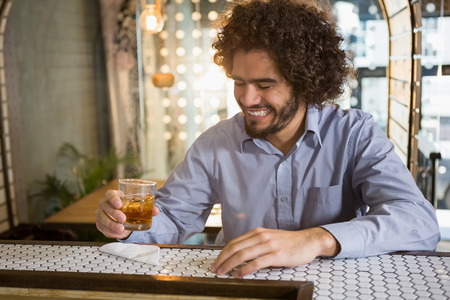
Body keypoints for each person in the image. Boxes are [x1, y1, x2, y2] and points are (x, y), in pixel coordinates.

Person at [96, 0, 440, 278]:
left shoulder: (355, 134)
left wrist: (317, 239)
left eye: (264, 85)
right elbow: (172, 218)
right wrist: (123, 228)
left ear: (305, 82)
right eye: (238, 81)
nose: (246, 99)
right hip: (240, 284)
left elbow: (419, 222)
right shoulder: (216, 143)